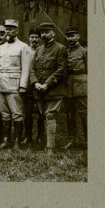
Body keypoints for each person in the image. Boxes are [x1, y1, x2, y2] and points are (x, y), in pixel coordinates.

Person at [30, 22, 68, 154]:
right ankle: (44, 142)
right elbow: (32, 69)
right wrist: (35, 83)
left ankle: (50, 147)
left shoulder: (60, 48)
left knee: (50, 115)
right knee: (42, 115)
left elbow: (61, 70)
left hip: (53, 90)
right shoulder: (39, 50)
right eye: (42, 32)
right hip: (39, 90)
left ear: (53, 33)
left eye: (47, 32)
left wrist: (47, 84)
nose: (44, 35)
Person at [0, 19, 32, 150]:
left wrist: (23, 86)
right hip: (1, 85)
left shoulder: (23, 47)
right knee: (4, 114)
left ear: (17, 31)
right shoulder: (1, 47)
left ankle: (17, 141)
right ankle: (6, 140)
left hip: (15, 85)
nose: (8, 32)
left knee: (17, 113)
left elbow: (26, 68)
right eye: (6, 29)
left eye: (11, 29)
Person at [64, 27, 87, 150]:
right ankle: (71, 139)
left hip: (81, 86)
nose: (70, 38)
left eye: (73, 36)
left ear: (78, 36)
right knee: (69, 114)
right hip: (68, 87)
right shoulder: (65, 52)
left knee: (84, 114)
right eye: (68, 36)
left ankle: (88, 140)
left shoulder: (84, 51)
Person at [22, 28, 44, 146]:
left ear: (39, 38)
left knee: (41, 113)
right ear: (29, 38)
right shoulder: (25, 50)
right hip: (28, 86)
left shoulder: (42, 50)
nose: (34, 40)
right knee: (28, 112)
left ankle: (40, 136)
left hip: (40, 85)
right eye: (32, 37)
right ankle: (28, 136)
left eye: (36, 37)